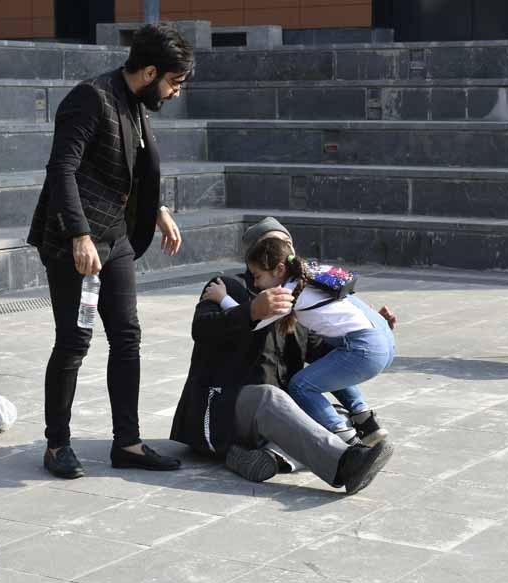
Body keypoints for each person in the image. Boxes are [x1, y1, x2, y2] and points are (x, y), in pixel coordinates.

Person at [27, 24, 193, 478]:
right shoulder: (90, 98)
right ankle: (57, 444)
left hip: (115, 238)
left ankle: (128, 443)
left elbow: (131, 166)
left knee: (126, 336)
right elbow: (62, 169)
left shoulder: (136, 101)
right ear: (151, 72)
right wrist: (79, 235)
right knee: (74, 340)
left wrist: (158, 210)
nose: (176, 92)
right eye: (174, 82)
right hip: (74, 241)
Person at [169, 218, 396, 494]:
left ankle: (270, 456)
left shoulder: (298, 294)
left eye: (287, 244)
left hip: (278, 414)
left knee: (330, 413)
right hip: (225, 407)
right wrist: (251, 311)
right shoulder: (226, 286)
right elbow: (202, 329)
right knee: (271, 398)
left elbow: (319, 352)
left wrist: (366, 328)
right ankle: (345, 465)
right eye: (272, 244)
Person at [203, 237, 393, 446]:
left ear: (279, 269)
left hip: (365, 349)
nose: (255, 284)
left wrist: (222, 298)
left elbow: (255, 321)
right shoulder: (312, 273)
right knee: (326, 364)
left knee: (301, 386)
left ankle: (347, 439)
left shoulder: (288, 292)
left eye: (258, 276)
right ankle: (367, 422)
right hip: (383, 339)